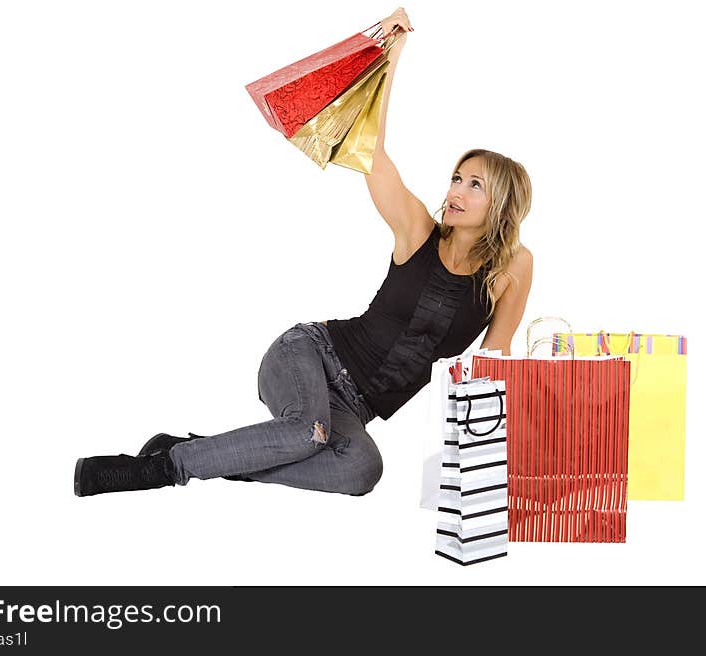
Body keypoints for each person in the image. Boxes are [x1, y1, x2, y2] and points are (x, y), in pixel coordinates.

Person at [73, 7, 533, 498]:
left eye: (475, 184)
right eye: (457, 178)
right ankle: (150, 471)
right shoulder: (418, 230)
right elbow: (370, 151)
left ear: (502, 201)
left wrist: (496, 451)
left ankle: (203, 450)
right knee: (303, 433)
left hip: (350, 411)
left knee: (361, 470)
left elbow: (495, 362)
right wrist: (391, 60)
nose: (457, 190)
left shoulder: (513, 269)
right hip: (308, 356)